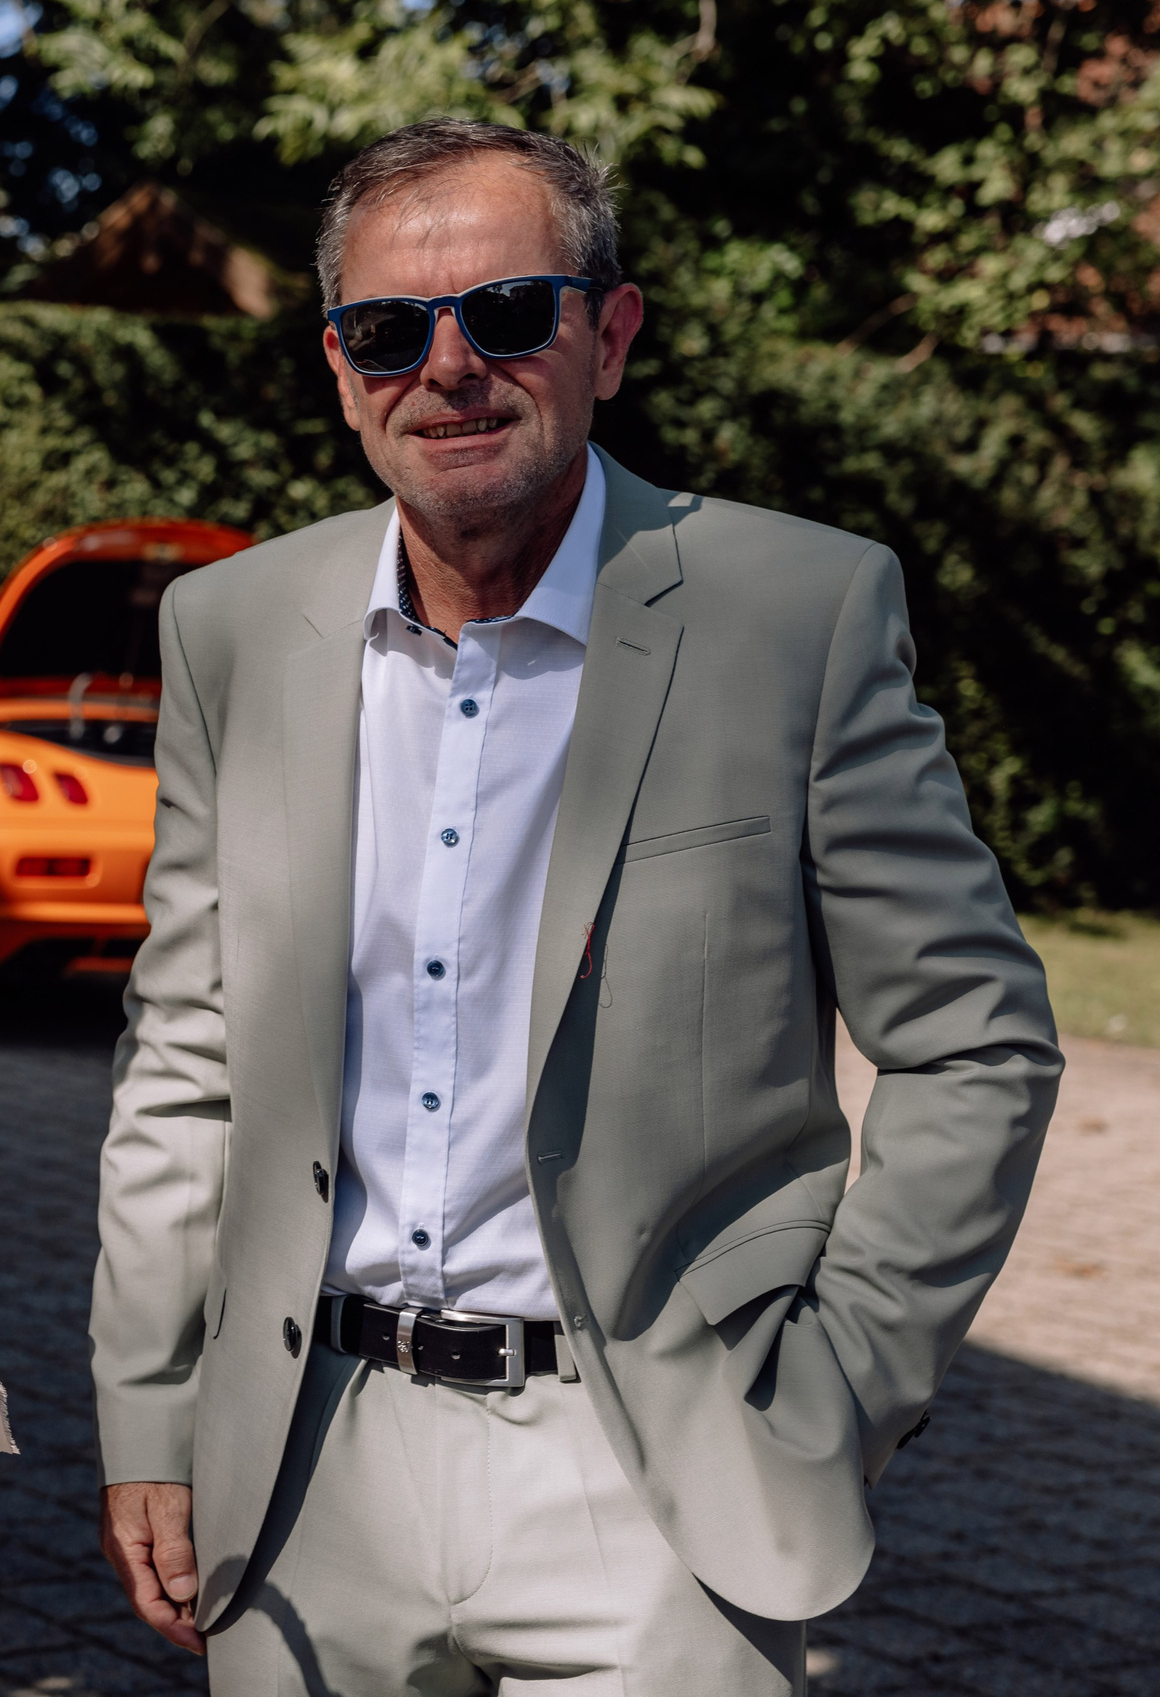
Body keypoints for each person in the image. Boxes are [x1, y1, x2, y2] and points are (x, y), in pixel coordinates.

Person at [89, 118, 1062, 1693]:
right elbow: (188, 1058)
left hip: (656, 1475)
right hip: (306, 1458)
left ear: (609, 338)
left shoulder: (794, 613)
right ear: (342, 372)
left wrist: (840, 1383)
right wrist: (147, 1407)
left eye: (513, 313)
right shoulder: (235, 627)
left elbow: (974, 1043)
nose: (449, 366)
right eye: (391, 330)